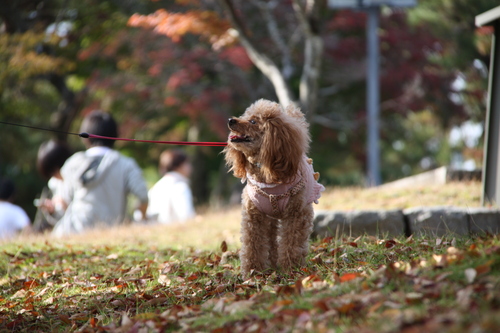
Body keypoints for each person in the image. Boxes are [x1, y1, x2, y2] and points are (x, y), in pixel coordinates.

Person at [52, 110, 149, 236]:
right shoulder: (125, 164)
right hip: (113, 232)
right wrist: (141, 217)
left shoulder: (73, 163)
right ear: (114, 135)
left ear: (85, 137)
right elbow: (143, 196)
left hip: (73, 233)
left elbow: (62, 200)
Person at [146, 149, 195, 224]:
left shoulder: (156, 187)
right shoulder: (180, 187)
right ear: (178, 166)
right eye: (187, 163)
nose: (190, 167)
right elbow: (188, 218)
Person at [34, 140, 73, 231]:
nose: (54, 177)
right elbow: (59, 220)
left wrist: (65, 205)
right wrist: (52, 211)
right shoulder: (55, 184)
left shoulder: (78, 179)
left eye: (54, 172)